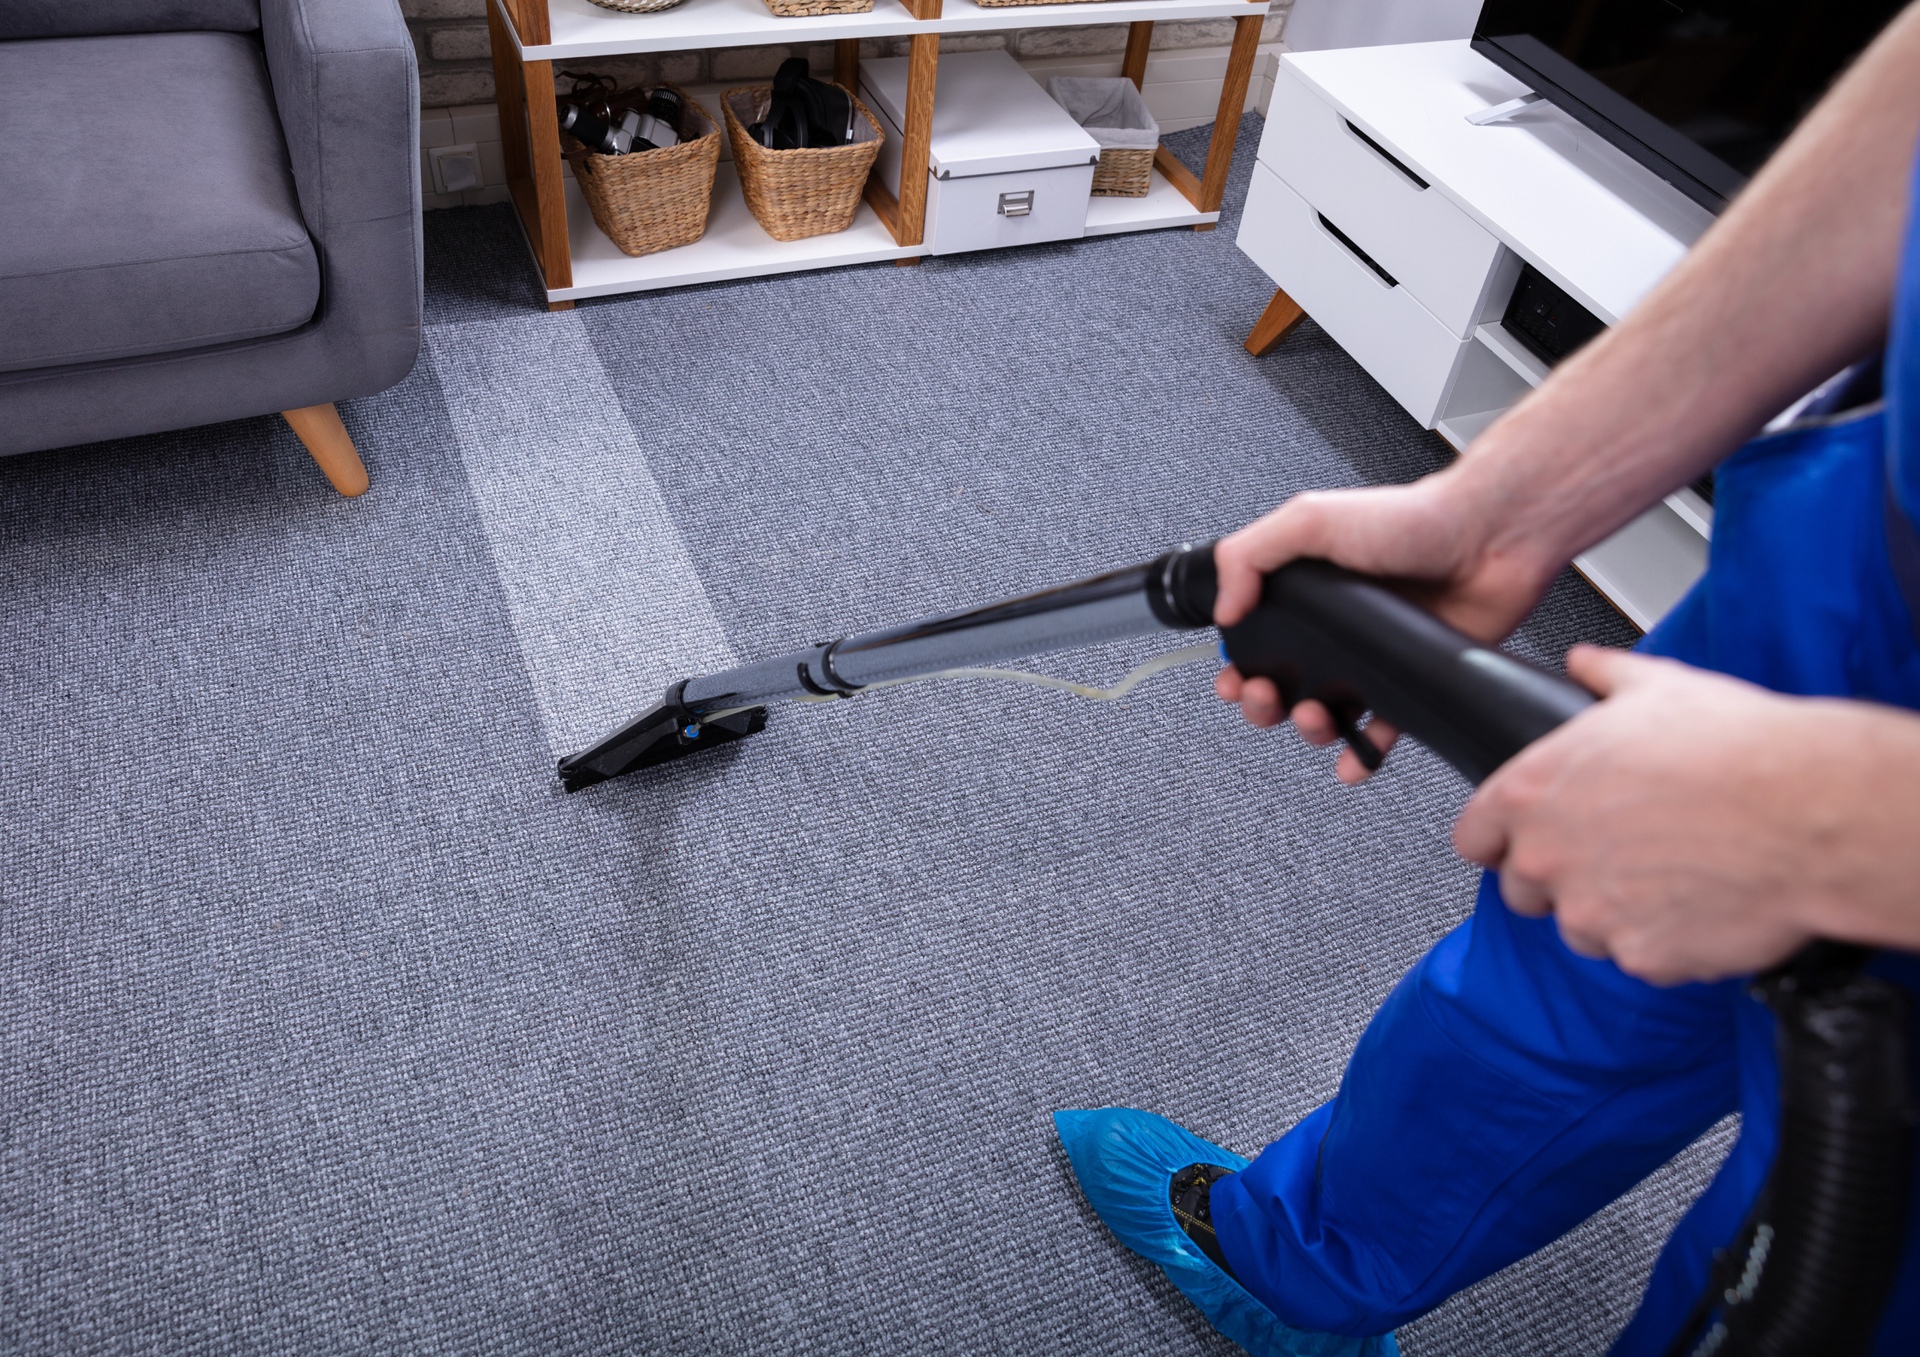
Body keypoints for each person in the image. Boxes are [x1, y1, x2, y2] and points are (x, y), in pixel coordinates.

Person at [1054, 6, 1920, 1354]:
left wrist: (1854, 825)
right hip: (1872, 554)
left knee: (1828, 1269)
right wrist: (1514, 503)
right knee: (1568, 951)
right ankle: (1302, 1264)